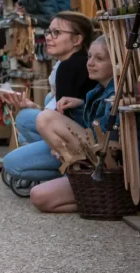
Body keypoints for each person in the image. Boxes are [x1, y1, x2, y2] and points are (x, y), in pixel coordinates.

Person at [2, 12, 98, 194]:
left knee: (11, 164)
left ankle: (71, 175)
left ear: (77, 39)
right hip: (73, 130)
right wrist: (32, 106)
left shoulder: (70, 66)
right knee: (24, 118)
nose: (48, 37)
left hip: (82, 141)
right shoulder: (68, 63)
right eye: (48, 32)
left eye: (56, 33)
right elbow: (59, 111)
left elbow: (60, 117)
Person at [28, 36, 116, 213]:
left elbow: (111, 139)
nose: (90, 63)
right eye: (89, 57)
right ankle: (101, 196)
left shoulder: (116, 94)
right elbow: (92, 127)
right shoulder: (96, 91)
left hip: (110, 163)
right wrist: (81, 104)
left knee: (44, 118)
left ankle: (112, 193)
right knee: (38, 196)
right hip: (95, 154)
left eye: (99, 58)